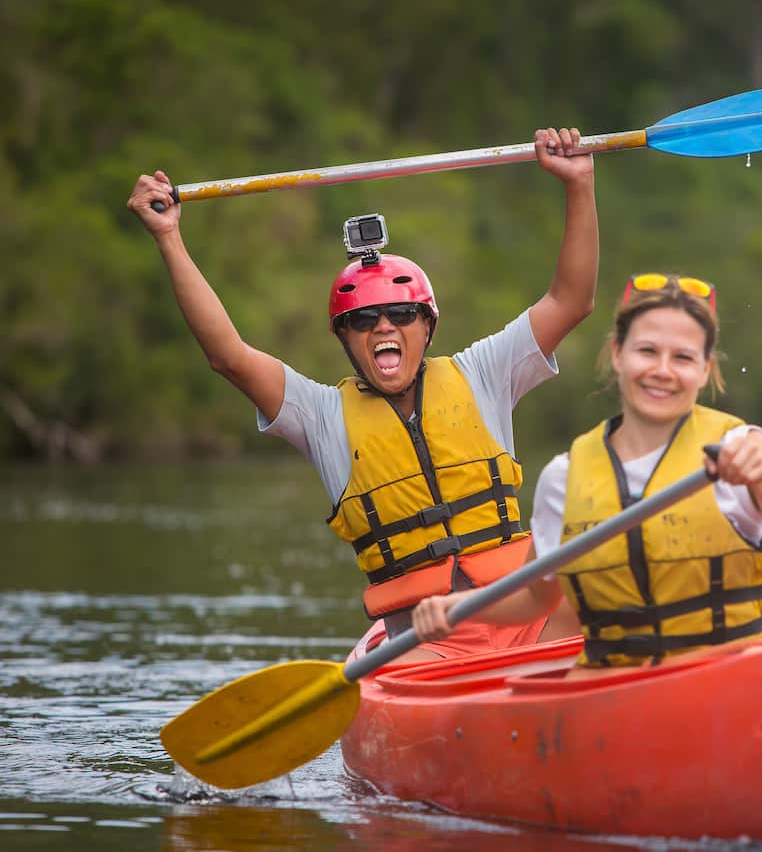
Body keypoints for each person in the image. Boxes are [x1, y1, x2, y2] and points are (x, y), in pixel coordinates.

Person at [126, 128, 598, 663]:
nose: (382, 327)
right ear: (343, 337)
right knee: (416, 666)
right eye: (363, 320)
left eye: (400, 315)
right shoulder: (320, 415)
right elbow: (228, 355)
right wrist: (169, 236)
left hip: (527, 618)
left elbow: (572, 299)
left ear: (427, 325)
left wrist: (578, 183)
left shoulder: (483, 372)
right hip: (425, 641)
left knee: (605, 601)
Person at [412, 272, 762, 667]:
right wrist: (458, 608)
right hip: (618, 688)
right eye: (647, 351)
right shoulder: (565, 476)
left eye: (683, 358)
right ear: (618, 354)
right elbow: (535, 600)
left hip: (732, 673)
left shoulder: (744, 448)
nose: (662, 371)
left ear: (705, 370)